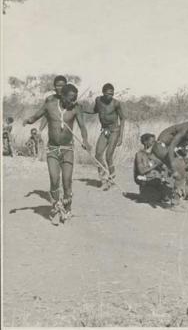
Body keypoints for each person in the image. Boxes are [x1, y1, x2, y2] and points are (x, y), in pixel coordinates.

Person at [23, 84, 91, 225]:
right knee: (54, 179)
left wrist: (85, 140)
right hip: (53, 149)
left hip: (68, 149)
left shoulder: (76, 108)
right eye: (70, 99)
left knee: (67, 181)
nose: (73, 102)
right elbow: (36, 116)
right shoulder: (50, 105)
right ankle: (56, 205)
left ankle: (68, 208)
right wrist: (28, 121)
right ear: (62, 96)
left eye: (75, 99)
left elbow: (83, 126)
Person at [83, 83, 126, 190]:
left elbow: (123, 118)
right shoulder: (98, 100)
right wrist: (82, 109)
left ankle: (111, 178)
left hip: (115, 131)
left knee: (108, 156)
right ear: (103, 93)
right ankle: (102, 178)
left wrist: (121, 136)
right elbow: (95, 110)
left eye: (112, 94)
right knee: (98, 155)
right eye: (107, 94)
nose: (110, 96)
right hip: (105, 131)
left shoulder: (116, 103)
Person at [134, 133, 171, 203]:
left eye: (155, 141)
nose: (154, 143)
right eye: (152, 142)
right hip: (146, 182)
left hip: (156, 181)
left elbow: (164, 168)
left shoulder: (153, 154)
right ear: (145, 142)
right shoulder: (140, 154)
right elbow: (141, 171)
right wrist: (155, 165)